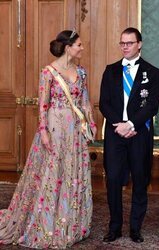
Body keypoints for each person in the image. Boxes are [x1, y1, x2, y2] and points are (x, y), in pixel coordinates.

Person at [0, 30, 97, 248]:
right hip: (55, 127)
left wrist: (90, 123)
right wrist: (43, 131)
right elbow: (42, 104)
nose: (82, 48)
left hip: (75, 130)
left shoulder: (81, 72)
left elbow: (85, 101)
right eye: (79, 45)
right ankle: (46, 223)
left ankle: (70, 223)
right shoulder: (49, 72)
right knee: (53, 173)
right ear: (67, 46)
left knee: (73, 172)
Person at [99, 27, 159, 243]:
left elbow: (152, 105)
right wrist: (119, 124)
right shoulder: (111, 70)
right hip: (116, 133)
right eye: (122, 43)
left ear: (139, 44)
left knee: (140, 180)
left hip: (139, 133)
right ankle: (114, 227)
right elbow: (104, 102)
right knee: (113, 180)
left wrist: (132, 123)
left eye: (129, 43)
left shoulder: (152, 72)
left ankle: (136, 228)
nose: (125, 46)